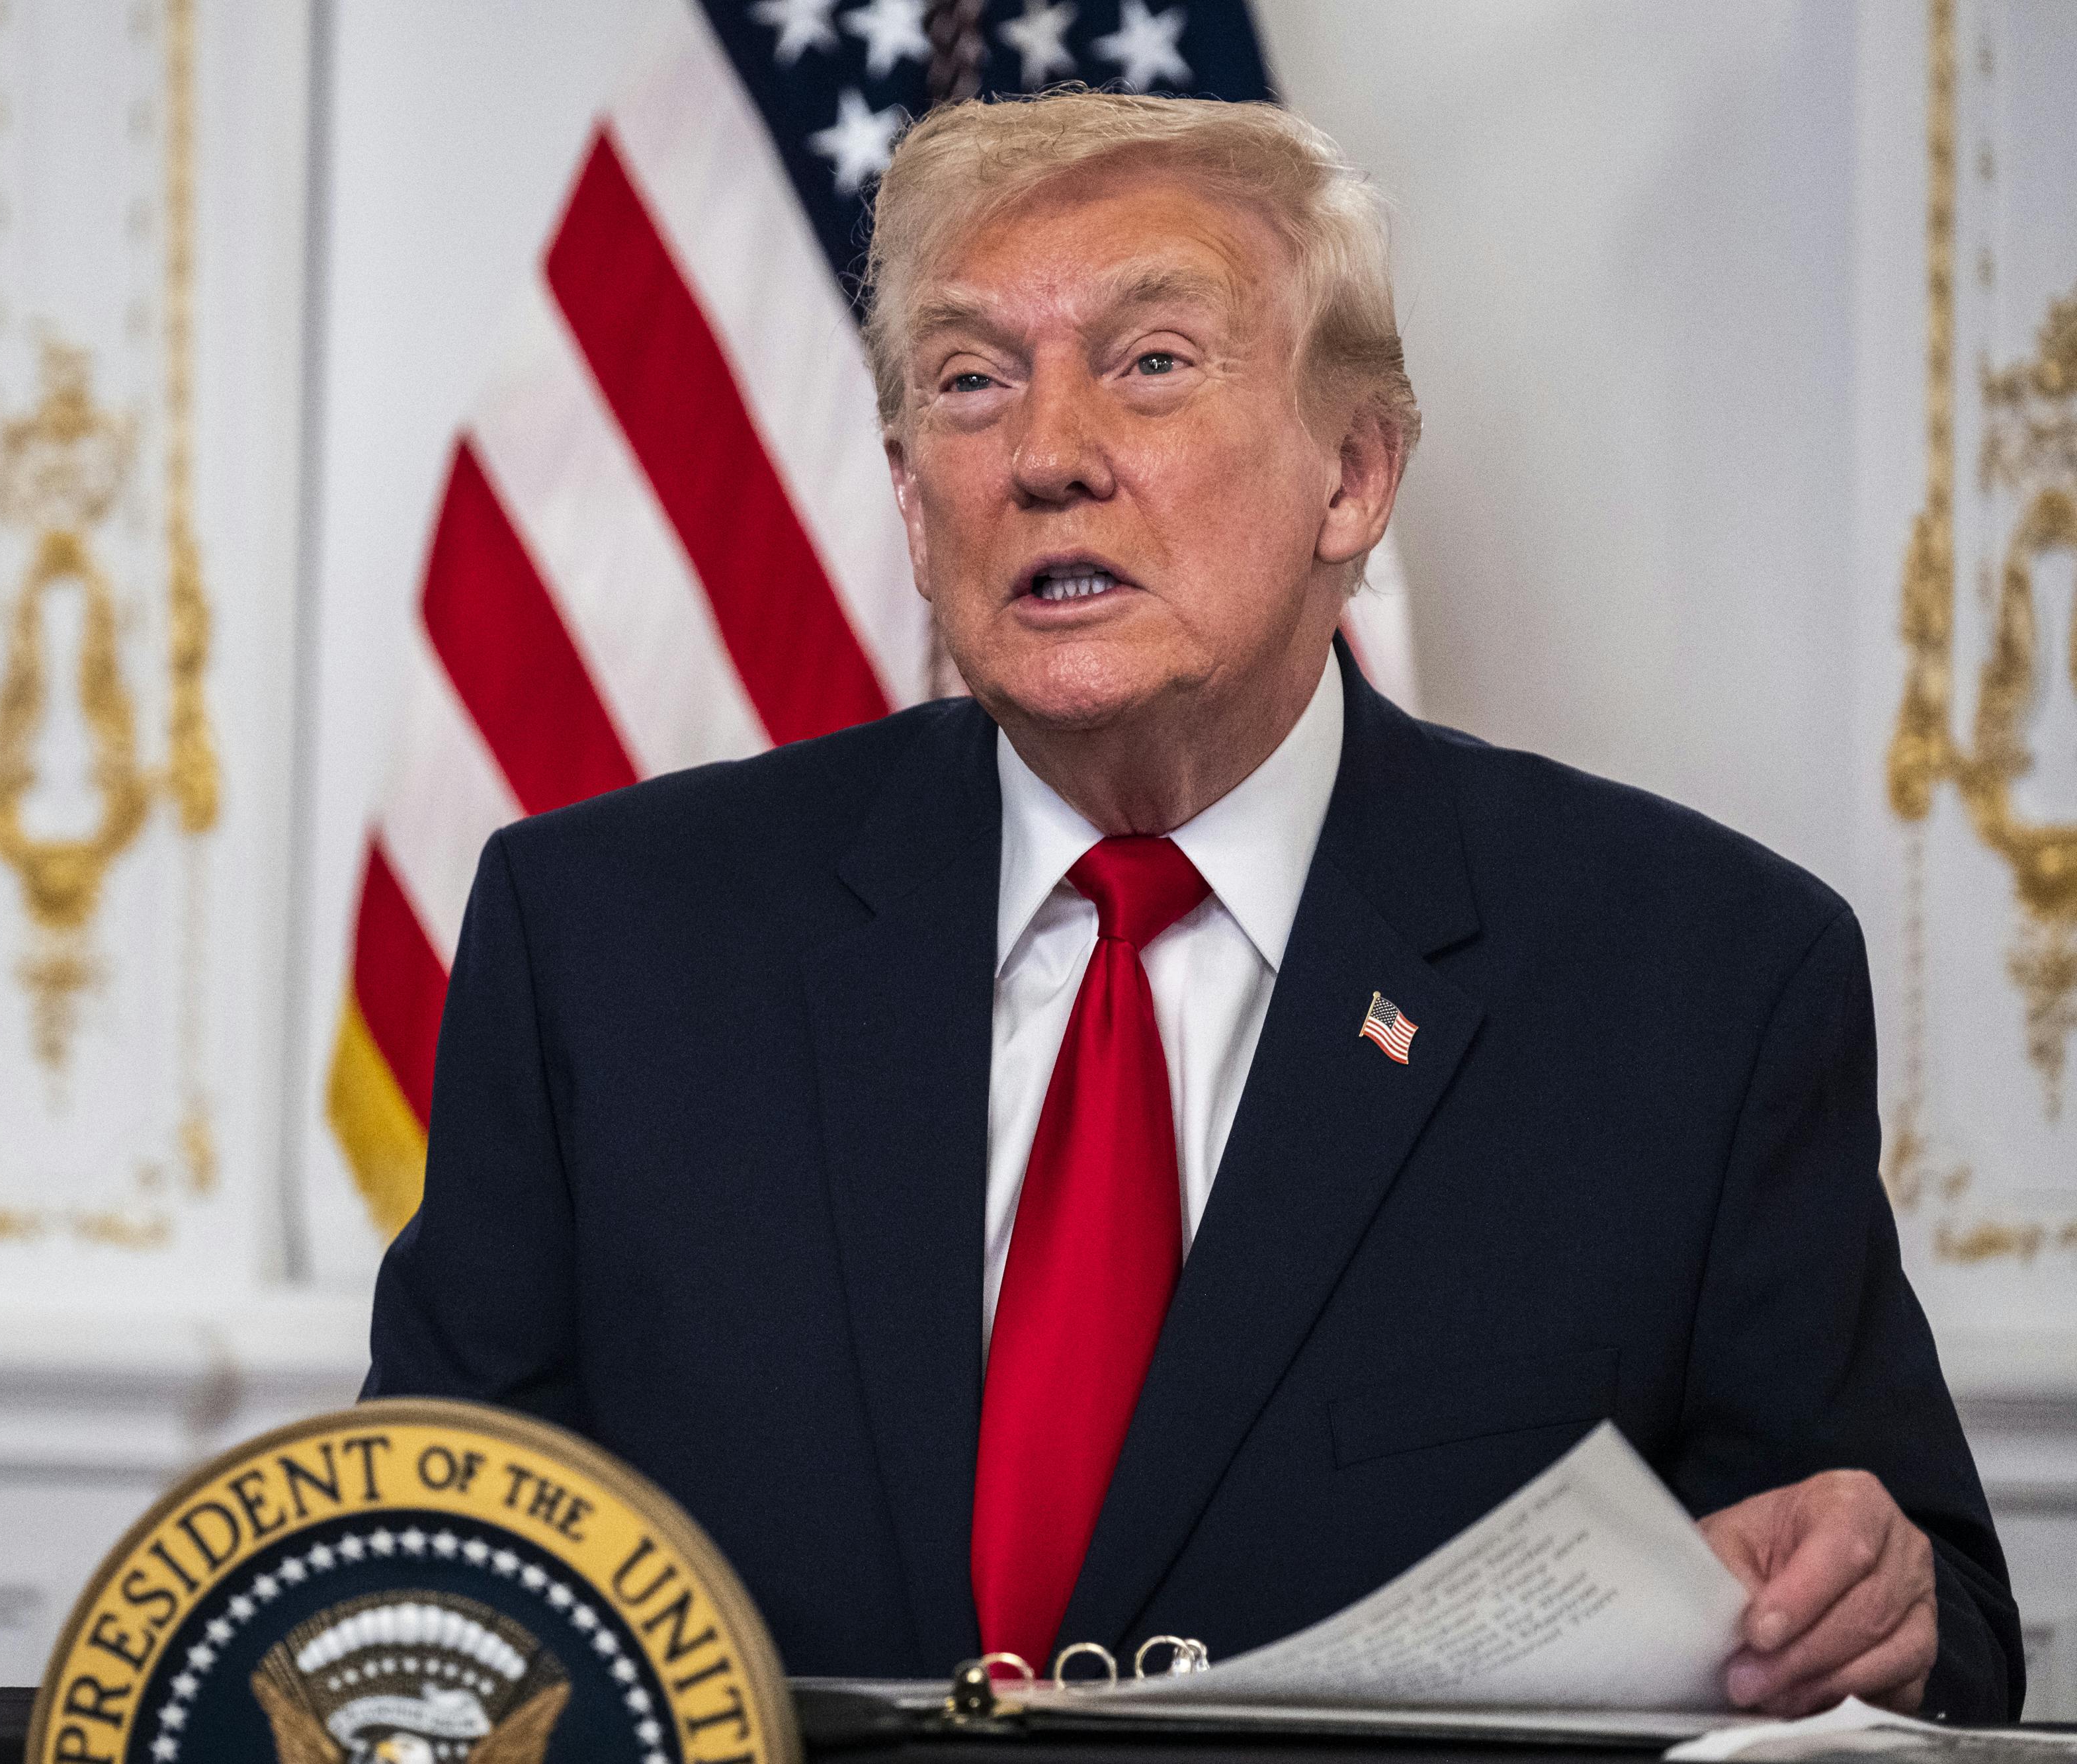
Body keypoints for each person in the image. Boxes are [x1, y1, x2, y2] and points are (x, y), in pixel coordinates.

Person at [364, 92, 2021, 1721]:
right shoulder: (603, 941)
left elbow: (1935, 1624)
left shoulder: (1696, 982)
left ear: (1353, 476)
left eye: (1150, 363)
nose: (1045, 455)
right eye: (966, 383)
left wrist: (1860, 1600)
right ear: (903, 492)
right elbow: (425, 1583)